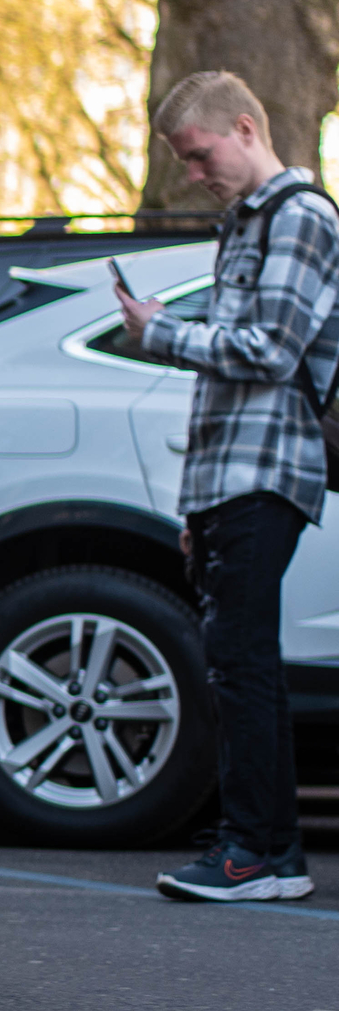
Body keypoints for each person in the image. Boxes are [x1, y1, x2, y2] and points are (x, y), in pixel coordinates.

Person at [116, 70, 339, 903]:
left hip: (269, 470)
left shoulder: (302, 218)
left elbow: (271, 350)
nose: (193, 173)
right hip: (228, 477)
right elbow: (222, 380)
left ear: (246, 128)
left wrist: (160, 332)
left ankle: (255, 851)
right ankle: (266, 850)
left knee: (241, 662)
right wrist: (193, 507)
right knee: (238, 663)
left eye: (199, 155)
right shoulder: (243, 225)